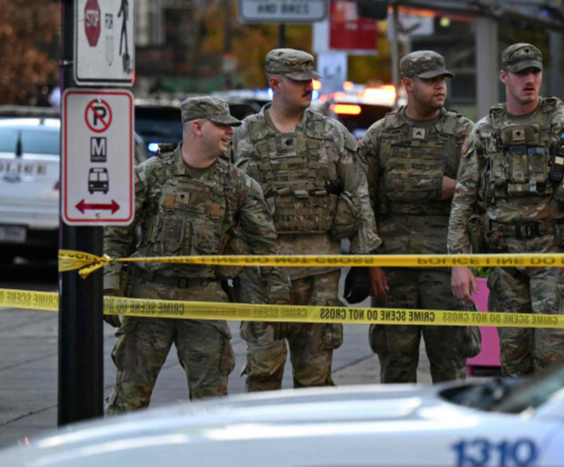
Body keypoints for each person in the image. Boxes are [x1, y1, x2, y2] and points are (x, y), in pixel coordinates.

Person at [102, 97, 290, 414]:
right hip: (150, 298)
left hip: (205, 299)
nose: (230, 133)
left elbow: (266, 246)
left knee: (211, 405)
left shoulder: (238, 185)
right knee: (128, 400)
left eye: (231, 127)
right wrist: (109, 287)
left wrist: (280, 298)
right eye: (222, 126)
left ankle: (207, 462)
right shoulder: (150, 176)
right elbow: (116, 234)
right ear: (197, 127)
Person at [447, 43, 564, 378]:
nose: (530, 79)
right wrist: (459, 261)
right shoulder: (485, 132)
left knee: (552, 363)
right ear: (504, 76)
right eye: (522, 72)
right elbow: (462, 202)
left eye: (535, 71)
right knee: (512, 364)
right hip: (504, 262)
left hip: (553, 258)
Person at [233, 49, 380, 389]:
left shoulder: (331, 133)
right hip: (264, 275)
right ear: (274, 83)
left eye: (310, 80)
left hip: (320, 275)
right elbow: (229, 201)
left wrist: (361, 262)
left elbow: (359, 196)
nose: (308, 86)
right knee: (262, 374)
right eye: (299, 81)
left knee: (315, 378)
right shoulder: (244, 136)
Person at [361, 51, 481, 384]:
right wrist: (370, 261)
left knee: (450, 363)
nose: (439, 86)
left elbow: (477, 197)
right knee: (395, 365)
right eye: (430, 80)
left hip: (445, 267)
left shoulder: (462, 134)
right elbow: (362, 202)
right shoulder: (380, 136)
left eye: (442, 79)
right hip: (393, 268)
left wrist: (463, 260)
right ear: (408, 84)